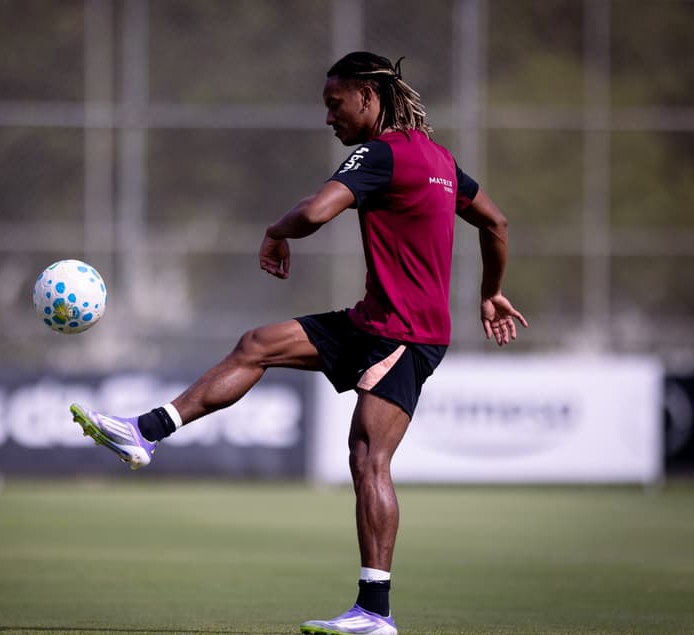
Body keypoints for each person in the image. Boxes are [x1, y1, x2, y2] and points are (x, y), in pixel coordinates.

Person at [70, 51, 527, 635]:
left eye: (336, 104)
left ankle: (375, 614)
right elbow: (496, 222)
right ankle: (145, 432)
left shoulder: (381, 154)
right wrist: (492, 291)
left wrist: (275, 231)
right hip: (375, 322)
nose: (329, 117)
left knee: (369, 459)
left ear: (368, 97)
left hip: (404, 335)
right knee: (257, 344)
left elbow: (314, 212)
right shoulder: (439, 159)